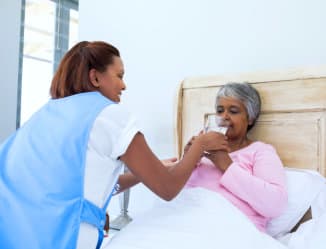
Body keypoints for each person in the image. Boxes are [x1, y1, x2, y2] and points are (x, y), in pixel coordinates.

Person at [0, 41, 225, 249]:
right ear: (95, 78)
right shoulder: (110, 114)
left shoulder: (47, 114)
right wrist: (200, 146)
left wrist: (142, 173)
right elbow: (167, 189)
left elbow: (82, 185)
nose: (124, 85)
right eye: (119, 75)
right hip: (58, 236)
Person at [184, 82, 288, 233]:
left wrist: (226, 165)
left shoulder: (260, 152)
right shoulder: (203, 149)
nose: (224, 117)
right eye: (220, 111)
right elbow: (176, 193)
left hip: (232, 230)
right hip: (188, 221)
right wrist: (189, 160)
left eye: (233, 111)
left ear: (250, 118)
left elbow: (275, 204)